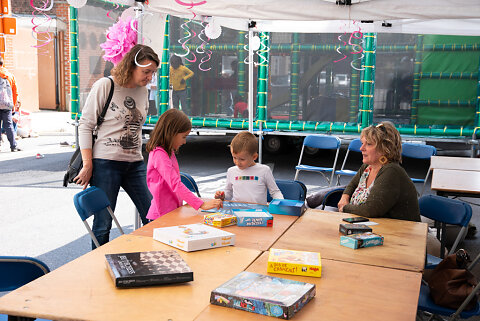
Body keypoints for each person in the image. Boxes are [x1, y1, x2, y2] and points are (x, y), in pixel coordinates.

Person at [75, 44, 159, 249]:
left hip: (135, 163)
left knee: (153, 215)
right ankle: (97, 267)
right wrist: (88, 165)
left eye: (153, 73)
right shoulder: (106, 85)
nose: (150, 77)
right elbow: (85, 126)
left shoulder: (143, 91)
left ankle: (155, 260)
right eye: (146, 72)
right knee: (103, 223)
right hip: (106, 163)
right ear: (131, 66)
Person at [145, 109, 223, 220]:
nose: (185, 142)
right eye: (184, 137)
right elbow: (175, 183)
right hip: (161, 216)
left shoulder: (168, 152)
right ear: (171, 133)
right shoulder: (159, 154)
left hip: (172, 212)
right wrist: (201, 204)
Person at [337, 121, 420, 222]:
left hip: (403, 233)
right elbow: (351, 186)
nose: (361, 148)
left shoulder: (391, 171)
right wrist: (344, 197)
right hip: (376, 229)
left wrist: (345, 208)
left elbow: (370, 210)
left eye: (368, 144)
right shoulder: (368, 167)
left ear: (385, 148)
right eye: (362, 143)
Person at [215, 131, 284, 204]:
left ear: (254, 157)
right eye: (234, 157)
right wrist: (222, 196)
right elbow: (228, 194)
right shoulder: (231, 171)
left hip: (258, 212)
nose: (237, 162)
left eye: (242, 159)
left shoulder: (264, 170)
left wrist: (281, 203)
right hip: (237, 211)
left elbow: (275, 192)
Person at [0, 56, 21, 152]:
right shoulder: (10, 75)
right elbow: (15, 92)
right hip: (7, 104)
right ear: (2, 63)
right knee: (8, 125)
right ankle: (13, 146)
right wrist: (13, 106)